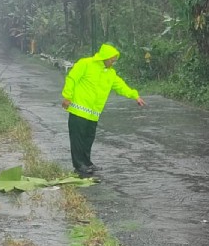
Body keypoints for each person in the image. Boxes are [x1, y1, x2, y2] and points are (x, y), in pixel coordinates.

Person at [61, 43, 146, 177]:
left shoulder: (111, 73)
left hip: (94, 113)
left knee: (88, 138)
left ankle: (87, 163)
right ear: (105, 57)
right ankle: (79, 165)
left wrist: (135, 96)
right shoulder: (85, 64)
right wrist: (67, 96)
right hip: (78, 109)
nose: (113, 61)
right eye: (112, 58)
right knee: (78, 138)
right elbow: (72, 78)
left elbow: (121, 86)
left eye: (115, 59)